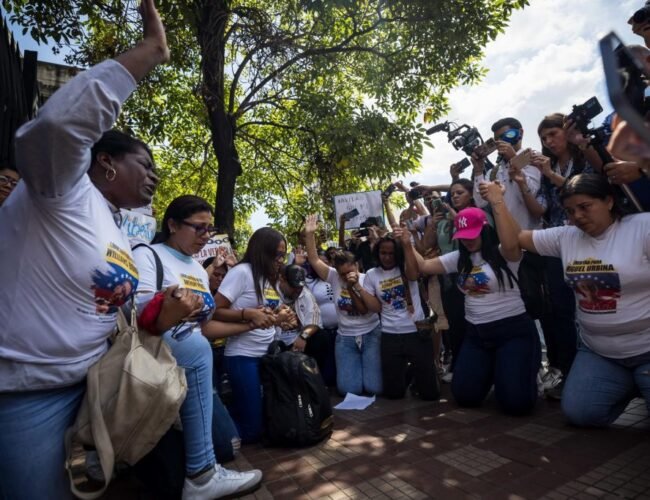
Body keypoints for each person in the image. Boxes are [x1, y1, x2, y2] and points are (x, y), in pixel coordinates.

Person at [0, 3, 168, 497]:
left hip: (92, 383)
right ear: (107, 163)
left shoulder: (113, 224)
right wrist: (148, 54)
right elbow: (54, 130)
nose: (155, 175)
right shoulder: (61, 188)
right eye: (146, 162)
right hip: (28, 393)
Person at [133, 194, 261, 499]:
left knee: (227, 444)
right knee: (195, 347)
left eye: (209, 230)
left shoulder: (195, 270)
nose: (205, 236)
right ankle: (202, 474)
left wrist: (248, 325)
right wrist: (172, 308)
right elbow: (138, 314)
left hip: (194, 366)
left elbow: (205, 327)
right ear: (173, 225)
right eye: (199, 229)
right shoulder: (148, 255)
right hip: (156, 365)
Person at [513, 173, 650, 427]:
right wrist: (498, 203)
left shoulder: (642, 227)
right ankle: (628, 384)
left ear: (609, 201)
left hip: (646, 350)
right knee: (581, 413)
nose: (577, 216)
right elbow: (518, 237)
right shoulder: (566, 236)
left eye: (585, 206)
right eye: (570, 210)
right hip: (599, 352)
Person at [401, 185, 541, 416]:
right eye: (463, 237)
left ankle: (517, 371)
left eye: (472, 235)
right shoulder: (458, 259)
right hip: (477, 335)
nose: (467, 241)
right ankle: (501, 370)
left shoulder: (505, 253)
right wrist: (407, 243)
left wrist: (497, 201)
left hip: (513, 331)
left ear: (484, 230)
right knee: (465, 396)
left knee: (516, 404)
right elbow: (423, 266)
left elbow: (512, 238)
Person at [532, 113, 599, 398]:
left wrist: (550, 174)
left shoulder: (584, 157)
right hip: (556, 244)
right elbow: (543, 208)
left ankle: (594, 371)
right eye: (544, 138)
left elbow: (584, 190)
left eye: (553, 135)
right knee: (557, 309)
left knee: (589, 305)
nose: (549, 142)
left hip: (587, 241)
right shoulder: (548, 167)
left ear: (566, 132)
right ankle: (565, 370)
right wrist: (525, 184)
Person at [213, 227, 293, 443]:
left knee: (265, 417)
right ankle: (214, 435)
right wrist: (246, 314)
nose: (280, 260)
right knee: (251, 431)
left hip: (267, 355)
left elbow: (266, 312)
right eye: (276, 254)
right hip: (242, 356)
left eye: (283, 255)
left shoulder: (271, 278)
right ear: (262, 251)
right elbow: (215, 311)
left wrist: (281, 316)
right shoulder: (242, 272)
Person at [305, 214, 382, 397]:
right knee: (349, 390)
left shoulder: (368, 277)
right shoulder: (333, 277)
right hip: (345, 338)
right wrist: (310, 235)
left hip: (371, 333)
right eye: (342, 273)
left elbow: (374, 308)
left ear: (357, 266)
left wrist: (355, 287)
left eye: (350, 271)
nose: (347, 276)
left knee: (374, 388)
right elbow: (314, 260)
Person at [359, 235, 439, 400]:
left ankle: (416, 374)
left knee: (430, 395)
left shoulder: (405, 266)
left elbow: (413, 275)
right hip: (390, 335)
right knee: (394, 394)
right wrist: (358, 289)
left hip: (416, 331)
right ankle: (408, 376)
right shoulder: (371, 275)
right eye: (383, 253)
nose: (387, 257)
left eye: (391, 253)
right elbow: (375, 308)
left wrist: (406, 244)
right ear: (377, 254)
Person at [276, 264, 322, 352]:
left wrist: (302, 337)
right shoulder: (270, 292)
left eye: (300, 287)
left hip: (296, 340)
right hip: (274, 340)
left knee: (321, 336)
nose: (298, 290)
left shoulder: (306, 294)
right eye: (294, 287)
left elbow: (314, 323)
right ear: (282, 280)